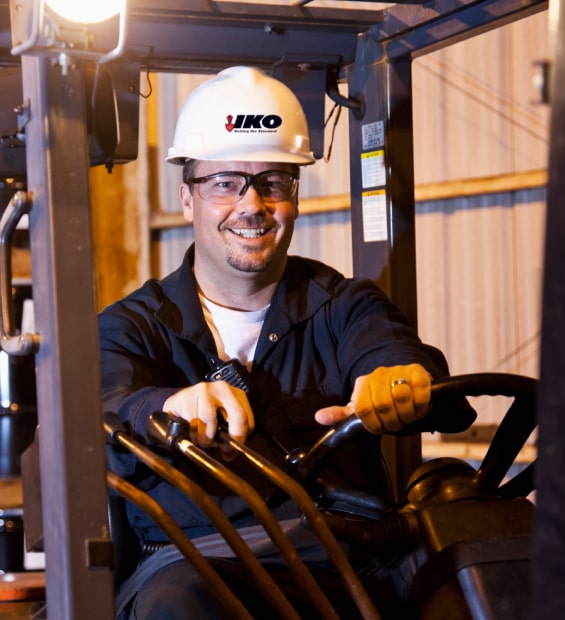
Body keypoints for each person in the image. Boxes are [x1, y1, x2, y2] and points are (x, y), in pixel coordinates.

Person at [98, 66, 473, 619]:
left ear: (293, 197)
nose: (252, 205)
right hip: (193, 565)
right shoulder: (132, 326)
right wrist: (166, 407)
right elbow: (99, 410)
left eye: (273, 182)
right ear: (187, 198)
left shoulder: (343, 305)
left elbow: (394, 353)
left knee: (474, 579)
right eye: (226, 182)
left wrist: (399, 379)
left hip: (343, 560)